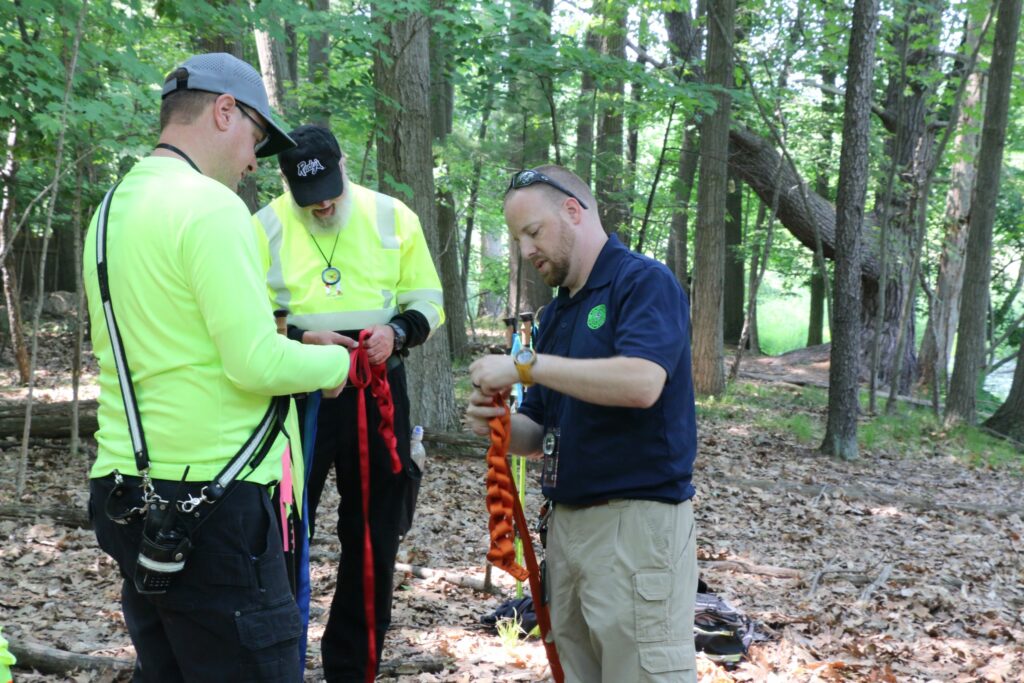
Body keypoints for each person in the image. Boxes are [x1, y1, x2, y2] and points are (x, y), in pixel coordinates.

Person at [83, 53, 351, 682]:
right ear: (224, 111)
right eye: (256, 139)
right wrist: (331, 361)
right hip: (215, 508)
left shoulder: (111, 208)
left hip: (127, 494)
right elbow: (254, 363)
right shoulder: (210, 206)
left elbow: (172, 343)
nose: (255, 161)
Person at [465, 166, 699, 682]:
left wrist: (525, 366)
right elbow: (538, 429)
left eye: (533, 232)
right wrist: (499, 424)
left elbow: (642, 383)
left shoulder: (642, 282)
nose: (526, 251)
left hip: (637, 527)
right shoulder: (556, 315)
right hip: (568, 528)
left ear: (574, 211)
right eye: (517, 238)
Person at [253, 124, 444, 682]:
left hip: (376, 388)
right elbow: (245, 316)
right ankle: (278, 663)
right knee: (285, 529)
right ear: (286, 183)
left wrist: (399, 333)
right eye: (309, 198)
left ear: (342, 164)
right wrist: (299, 341)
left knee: (374, 531)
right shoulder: (261, 226)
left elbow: (429, 300)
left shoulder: (393, 216)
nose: (324, 205)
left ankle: (353, 668)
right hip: (296, 390)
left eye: (331, 190)